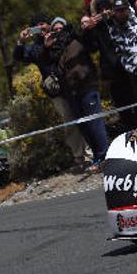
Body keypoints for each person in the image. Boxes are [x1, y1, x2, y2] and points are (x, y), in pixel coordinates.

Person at [14, 13, 88, 171]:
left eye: (44, 23)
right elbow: (19, 56)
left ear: (50, 25)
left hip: (74, 84)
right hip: (57, 91)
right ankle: (79, 156)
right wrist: (20, 41)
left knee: (85, 116)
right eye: (37, 25)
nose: (41, 27)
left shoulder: (61, 37)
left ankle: (91, 150)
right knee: (70, 121)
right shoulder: (35, 48)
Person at [41, 18, 110, 170]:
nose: (59, 32)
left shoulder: (77, 39)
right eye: (56, 29)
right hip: (70, 93)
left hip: (87, 87)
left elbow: (92, 44)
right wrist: (47, 48)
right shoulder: (55, 50)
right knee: (83, 126)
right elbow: (46, 65)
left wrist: (86, 29)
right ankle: (98, 157)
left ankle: (106, 155)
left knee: (94, 123)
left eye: (61, 28)